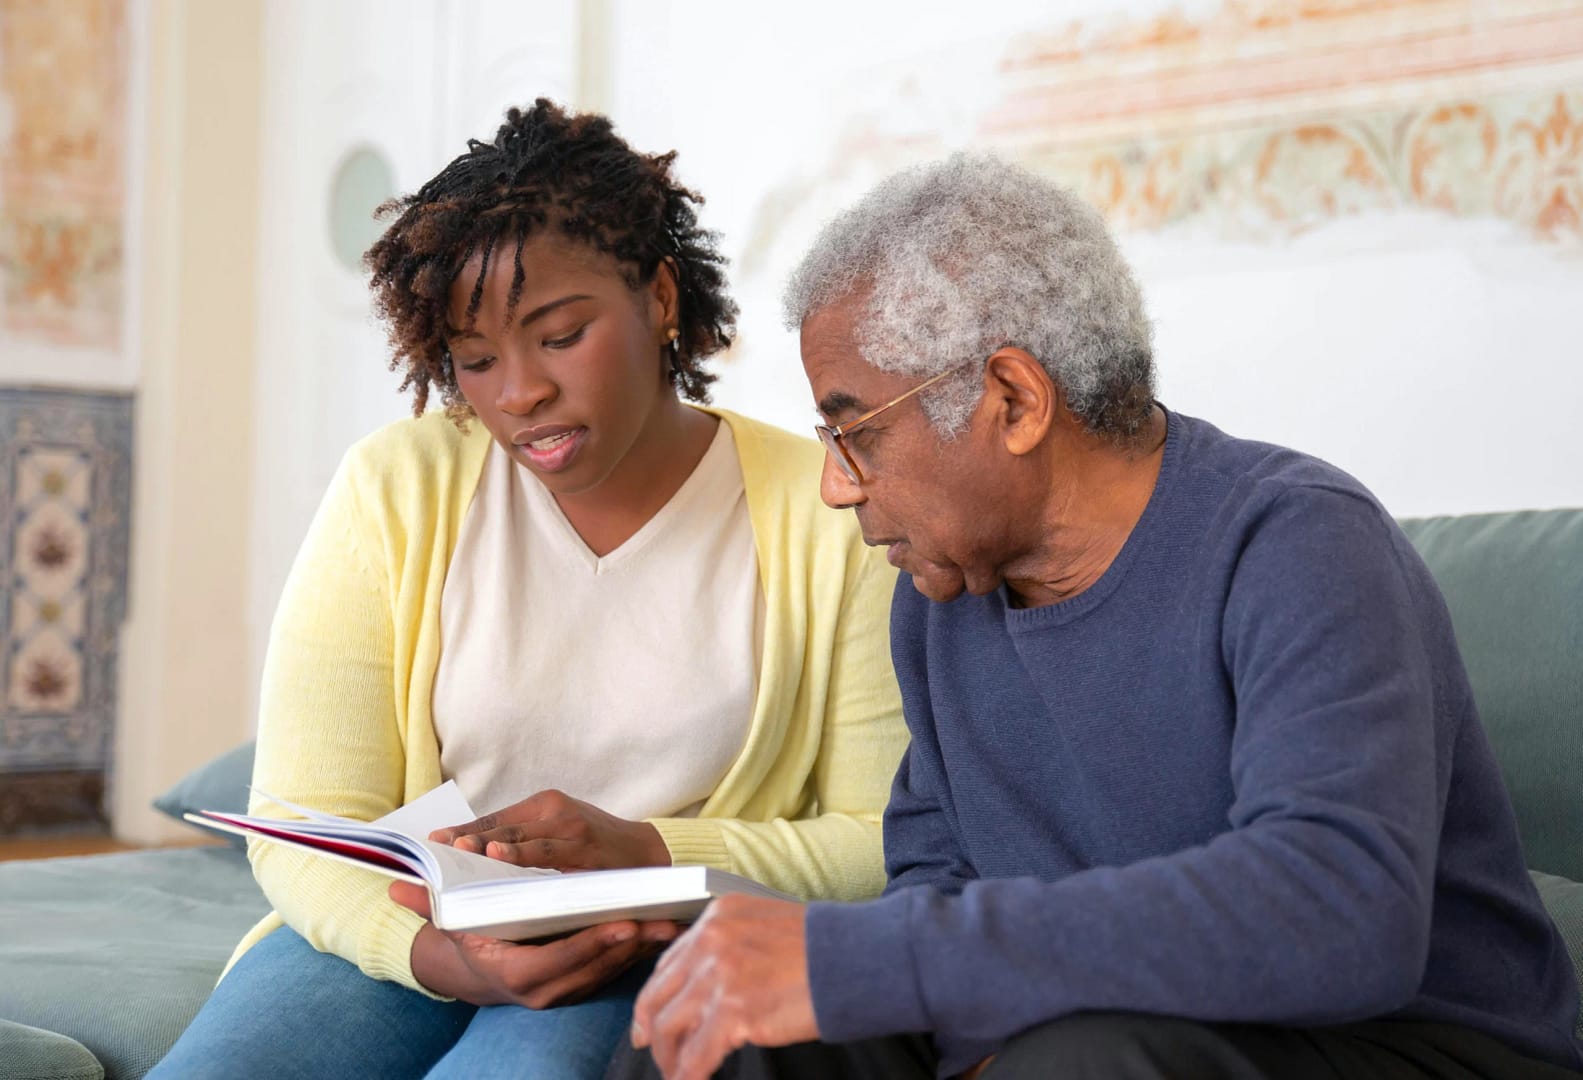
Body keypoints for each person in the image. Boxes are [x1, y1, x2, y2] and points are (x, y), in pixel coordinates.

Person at [611, 155, 1583, 1080]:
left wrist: (880, 960)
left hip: (1407, 1049)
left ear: (1013, 399)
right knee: (709, 1024)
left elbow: (1339, 913)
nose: (833, 486)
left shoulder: (1297, 543)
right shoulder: (941, 597)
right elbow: (935, 884)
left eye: (855, 433)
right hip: (1092, 1037)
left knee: (1080, 1062)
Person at [150, 100, 907, 1080]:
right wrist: (441, 959)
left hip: (648, 948)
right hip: (400, 940)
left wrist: (640, 848)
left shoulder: (824, 511)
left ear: (660, 297)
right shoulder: (396, 489)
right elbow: (302, 820)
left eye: (559, 335)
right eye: (474, 360)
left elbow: (878, 844)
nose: (518, 393)